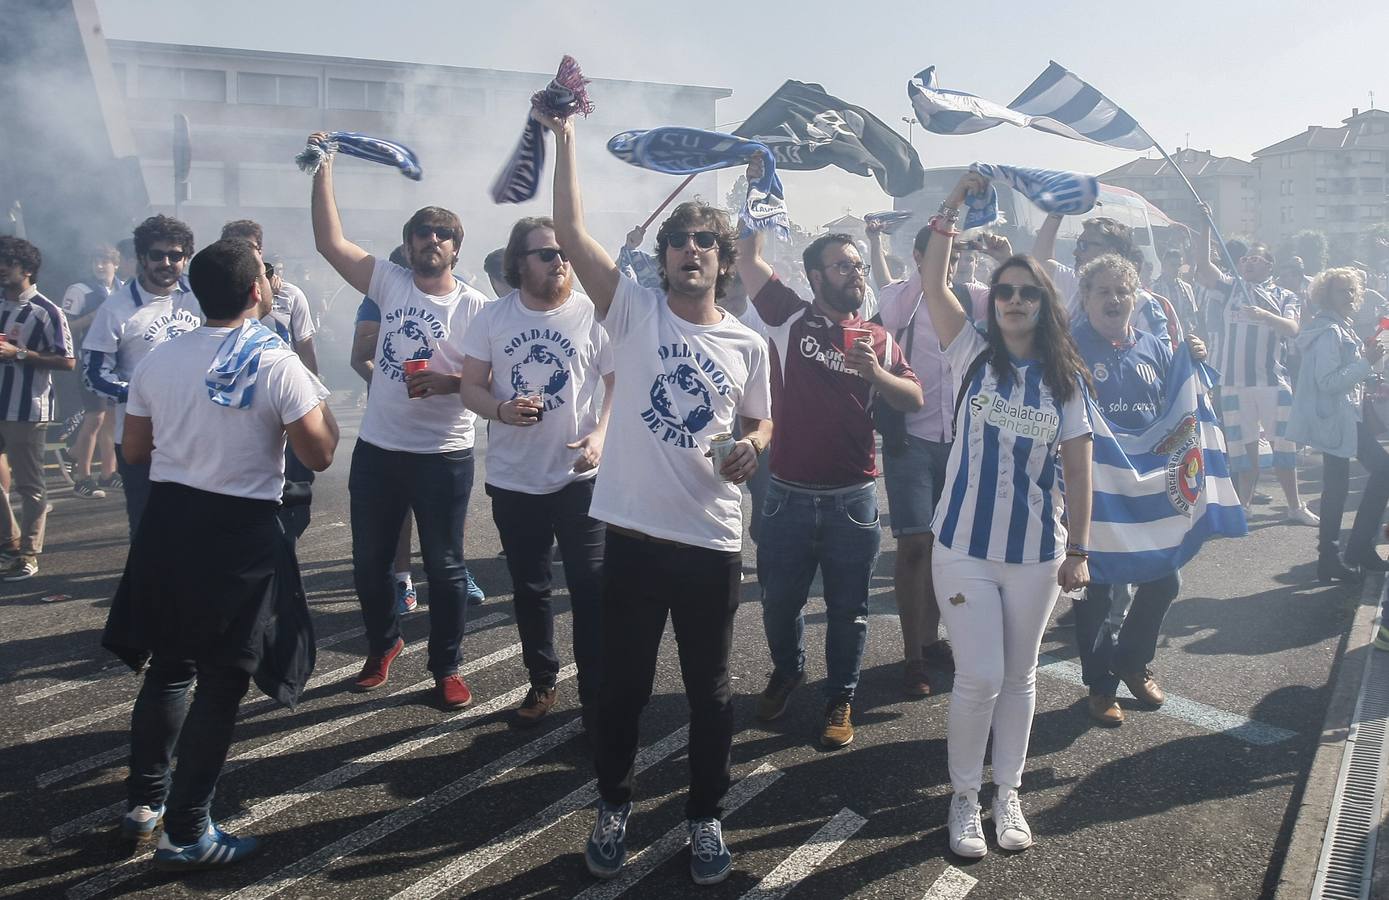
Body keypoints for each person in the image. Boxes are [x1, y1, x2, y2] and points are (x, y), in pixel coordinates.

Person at [538, 108, 772, 886]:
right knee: (621, 691)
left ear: (724, 259)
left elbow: (760, 419)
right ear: (664, 258)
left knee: (710, 697)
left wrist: (753, 447)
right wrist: (564, 136)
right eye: (679, 241)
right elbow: (569, 230)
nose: (691, 251)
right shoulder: (632, 310)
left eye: (706, 242)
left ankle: (704, 817)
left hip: (709, 542)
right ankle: (613, 805)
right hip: (633, 538)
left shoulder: (747, 342)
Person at [101, 238, 337, 871]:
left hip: (170, 521)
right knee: (222, 682)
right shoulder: (277, 362)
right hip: (239, 531)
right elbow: (318, 455)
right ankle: (185, 830)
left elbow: (133, 452)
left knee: (170, 668)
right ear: (258, 291)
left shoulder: (158, 358)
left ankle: (145, 805)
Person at [921, 171, 1094, 859]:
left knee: (1020, 679)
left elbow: (1078, 469)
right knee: (980, 676)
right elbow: (935, 281)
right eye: (1005, 290)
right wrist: (952, 207)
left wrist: (1077, 549)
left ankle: (1006, 792)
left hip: (1036, 554)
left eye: (1028, 292)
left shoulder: (1065, 379)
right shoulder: (970, 351)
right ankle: (963, 798)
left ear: (1044, 305)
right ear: (991, 303)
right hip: (961, 544)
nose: (1015, 299)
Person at [308, 131, 489, 710]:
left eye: (442, 235)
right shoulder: (387, 283)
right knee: (370, 561)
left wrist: (451, 383)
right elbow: (329, 241)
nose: (430, 241)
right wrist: (323, 165)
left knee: (445, 565)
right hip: (381, 449)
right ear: (407, 245)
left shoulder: (477, 307)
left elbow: (498, 384)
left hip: (445, 453)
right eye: (421, 233)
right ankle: (382, 646)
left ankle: (447, 667)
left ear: (456, 248)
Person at [736, 214, 922, 749]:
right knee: (778, 603)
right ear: (815, 277)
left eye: (857, 266)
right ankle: (788, 670)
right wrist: (758, 197)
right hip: (787, 495)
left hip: (853, 500)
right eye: (841, 266)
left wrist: (876, 375)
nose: (855, 274)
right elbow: (749, 260)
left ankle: (840, 696)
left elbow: (914, 398)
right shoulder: (789, 317)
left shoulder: (880, 339)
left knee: (849, 611)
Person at [460, 216, 613, 729]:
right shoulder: (492, 318)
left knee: (592, 591)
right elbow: (470, 387)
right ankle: (542, 678)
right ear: (519, 263)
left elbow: (617, 384)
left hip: (580, 479)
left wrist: (600, 436)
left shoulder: (592, 315)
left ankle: (595, 697)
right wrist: (500, 410)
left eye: (564, 252)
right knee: (530, 587)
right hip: (514, 479)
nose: (560, 261)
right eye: (546, 253)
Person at [1070, 253, 1208, 725]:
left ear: (1135, 298)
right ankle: (1100, 686)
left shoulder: (1155, 345)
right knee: (1098, 591)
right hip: (1095, 489)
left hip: (1146, 489)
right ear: (1085, 298)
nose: (1114, 299)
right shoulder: (1068, 347)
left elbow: (1175, 406)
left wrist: (1193, 359)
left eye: (1122, 291)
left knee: (1165, 578)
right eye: (1103, 291)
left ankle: (1131, 659)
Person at [351, 245, 486, 614]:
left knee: (444, 536)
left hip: (444, 441)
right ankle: (403, 579)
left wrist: (450, 381)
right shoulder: (381, 296)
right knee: (397, 519)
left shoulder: (472, 302)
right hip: (390, 430)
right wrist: (390, 382)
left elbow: (490, 372)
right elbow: (359, 355)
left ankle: (456, 571)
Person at [82, 215, 203, 535]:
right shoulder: (116, 308)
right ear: (141, 258)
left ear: (186, 257)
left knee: (197, 521)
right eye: (157, 255)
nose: (167, 262)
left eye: (176, 255)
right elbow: (93, 373)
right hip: (140, 434)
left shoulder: (201, 294)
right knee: (148, 524)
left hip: (196, 430)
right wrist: (142, 395)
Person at [1193, 209, 1315, 523]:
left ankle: (1294, 506)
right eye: (1244, 259)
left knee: (1283, 443)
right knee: (1243, 445)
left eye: (1255, 259)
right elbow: (1205, 270)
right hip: (1234, 381)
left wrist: (1264, 316)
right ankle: (1244, 505)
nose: (1247, 262)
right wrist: (1206, 226)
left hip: (1272, 380)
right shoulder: (1231, 286)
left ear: (1269, 265)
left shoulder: (1284, 294)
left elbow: (1293, 328)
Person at [222, 220, 321, 540]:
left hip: (285, 400)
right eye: (234, 246)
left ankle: (285, 543)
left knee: (295, 487)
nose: (242, 253)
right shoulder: (217, 294)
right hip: (237, 403)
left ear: (260, 251)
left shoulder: (291, 295)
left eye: (249, 247)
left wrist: (314, 398)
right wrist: (260, 303)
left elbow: (305, 348)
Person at [1287, 268, 1389, 579]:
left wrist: (1368, 371)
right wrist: (1366, 362)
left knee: (1337, 487)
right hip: (1337, 417)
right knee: (1381, 471)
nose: (1347, 296)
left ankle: (1331, 558)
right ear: (1325, 296)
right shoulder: (1329, 332)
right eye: (1339, 290)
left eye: (1350, 290)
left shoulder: (1336, 327)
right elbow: (1328, 382)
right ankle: (1354, 548)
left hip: (1337, 417)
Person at [0, 236, 75, 581]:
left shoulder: (47, 310)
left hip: (27, 409)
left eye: (7, 264)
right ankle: (10, 540)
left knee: (30, 484)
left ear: (27, 270)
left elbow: (67, 361)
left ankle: (29, 553)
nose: (1, 270)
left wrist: (18, 353)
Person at [62, 244, 121, 499]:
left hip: (118, 361)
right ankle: (82, 476)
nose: (99, 265)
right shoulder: (80, 290)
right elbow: (64, 327)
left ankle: (109, 473)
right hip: (91, 361)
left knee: (111, 418)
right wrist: (93, 316)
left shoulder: (125, 289)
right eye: (95, 261)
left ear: (115, 264)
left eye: (104, 261)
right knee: (95, 416)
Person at [1152, 247, 1200, 338]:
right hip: (1162, 334)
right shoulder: (1154, 288)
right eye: (1173, 265)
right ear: (1164, 266)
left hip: (1184, 334)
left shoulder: (1187, 288)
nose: (1176, 269)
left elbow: (1193, 315)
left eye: (1179, 265)